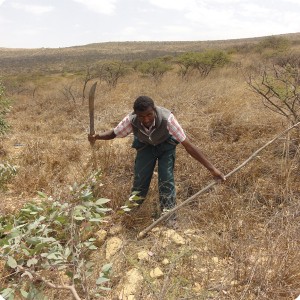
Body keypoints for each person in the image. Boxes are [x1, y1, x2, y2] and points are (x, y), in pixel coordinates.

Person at [88, 96, 225, 217]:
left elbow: (188, 145)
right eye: (141, 116)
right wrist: (97, 136)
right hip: (145, 146)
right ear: (136, 114)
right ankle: (132, 211)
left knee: (166, 179)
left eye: (149, 115)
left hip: (166, 146)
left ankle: (168, 215)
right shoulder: (131, 120)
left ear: (154, 110)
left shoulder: (168, 119)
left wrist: (212, 169)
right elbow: (114, 133)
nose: (146, 119)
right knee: (140, 179)